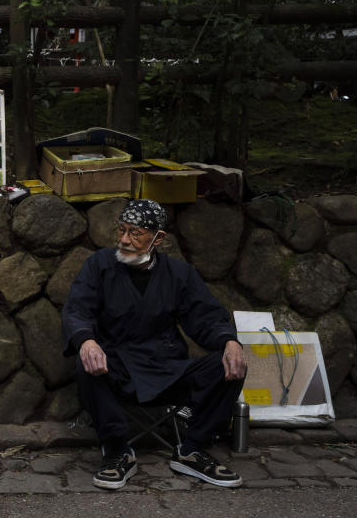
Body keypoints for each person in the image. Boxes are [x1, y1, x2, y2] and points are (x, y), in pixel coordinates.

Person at [62, 199, 247, 490]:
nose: (124, 239)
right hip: (118, 369)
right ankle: (117, 451)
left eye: (135, 233)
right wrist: (86, 340)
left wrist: (230, 342)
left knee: (229, 363)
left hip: (167, 368)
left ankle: (193, 448)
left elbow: (206, 318)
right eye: (121, 230)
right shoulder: (98, 265)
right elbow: (77, 310)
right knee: (86, 363)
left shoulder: (179, 274)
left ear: (158, 238)